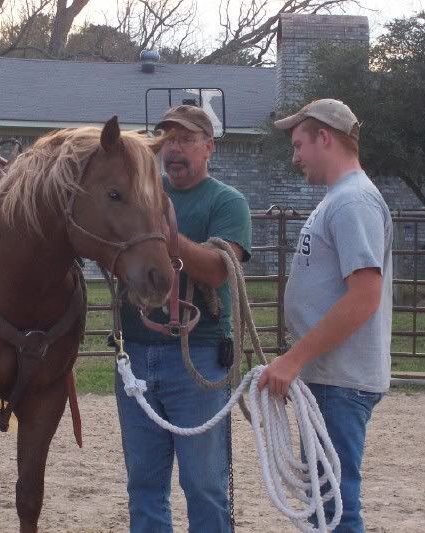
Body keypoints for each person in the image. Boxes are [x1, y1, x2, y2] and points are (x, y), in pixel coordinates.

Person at [115, 104, 252, 533]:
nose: (174, 149)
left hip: (199, 357)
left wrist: (166, 234)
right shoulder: (141, 194)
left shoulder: (227, 202)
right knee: (143, 482)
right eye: (168, 140)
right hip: (135, 352)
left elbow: (217, 269)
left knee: (205, 484)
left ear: (209, 147)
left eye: (186, 140)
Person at [259, 99, 392, 532]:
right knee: (325, 501)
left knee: (334, 506)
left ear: (324, 138)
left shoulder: (353, 202)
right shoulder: (341, 199)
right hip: (330, 378)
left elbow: (364, 297)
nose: (295, 156)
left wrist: (294, 359)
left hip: (341, 381)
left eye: (299, 144)